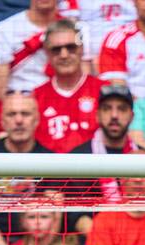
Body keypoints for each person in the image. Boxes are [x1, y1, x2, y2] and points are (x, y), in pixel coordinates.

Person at [32, 18, 102, 152]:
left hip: (97, 171)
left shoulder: (102, 91)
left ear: (81, 49)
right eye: (56, 49)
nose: (64, 55)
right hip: (50, 171)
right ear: (47, 52)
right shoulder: (35, 98)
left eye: (71, 47)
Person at [0, 0, 73, 92]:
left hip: (62, 97)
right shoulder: (4, 30)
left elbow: (84, 81)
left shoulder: (76, 29)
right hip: (20, 97)